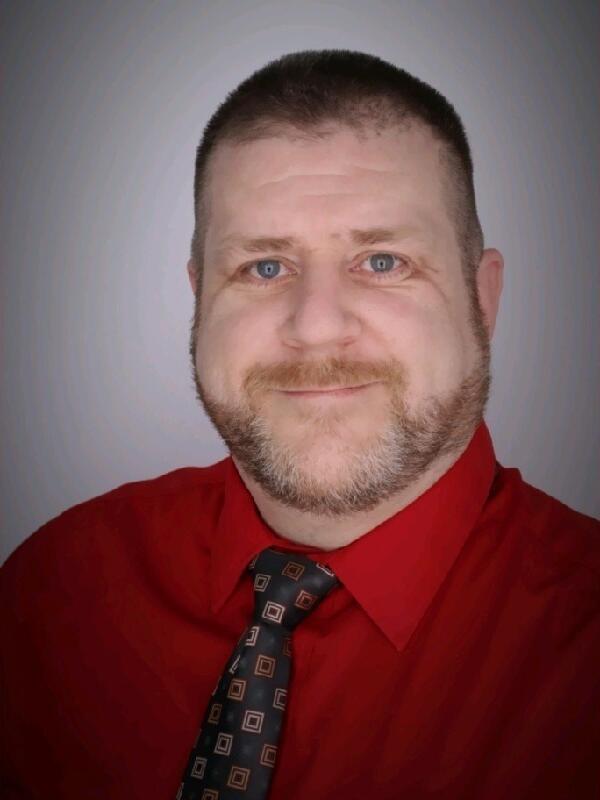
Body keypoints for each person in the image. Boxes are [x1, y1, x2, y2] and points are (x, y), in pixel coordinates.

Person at [1, 50, 598, 800]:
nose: (315, 329)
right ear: (199, 298)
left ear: (483, 300)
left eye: (382, 261)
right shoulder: (51, 590)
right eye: (263, 267)